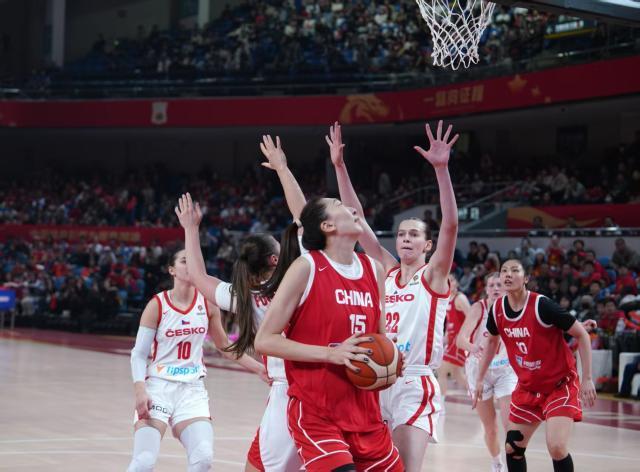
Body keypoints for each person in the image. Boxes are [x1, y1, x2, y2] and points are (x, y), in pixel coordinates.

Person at [327, 120, 459, 471]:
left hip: (414, 381)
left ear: (428, 245)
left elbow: (450, 225)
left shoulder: (433, 276)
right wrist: (340, 166)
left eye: (414, 235)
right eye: (401, 234)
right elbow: (357, 219)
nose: (406, 239)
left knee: (406, 468)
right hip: (378, 377)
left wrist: (441, 170)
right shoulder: (386, 271)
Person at [175, 136, 306, 472]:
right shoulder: (300, 278)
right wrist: (282, 169)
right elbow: (303, 217)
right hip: (311, 383)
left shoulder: (244, 296)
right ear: (275, 259)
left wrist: (191, 229)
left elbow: (200, 277)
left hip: (286, 388)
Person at [255, 197, 403, 471]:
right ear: (327, 225)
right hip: (318, 412)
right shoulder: (306, 267)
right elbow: (264, 340)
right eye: (339, 204)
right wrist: (330, 353)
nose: (353, 208)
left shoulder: (374, 269)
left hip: (366, 412)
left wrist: (389, 361)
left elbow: (378, 337)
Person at [127, 245, 266, 472]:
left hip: (192, 390)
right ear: (172, 270)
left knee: (203, 458)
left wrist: (258, 368)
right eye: (184, 261)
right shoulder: (157, 305)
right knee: (143, 462)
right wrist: (140, 390)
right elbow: (139, 354)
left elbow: (224, 346)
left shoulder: (207, 303)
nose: (189, 265)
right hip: (158, 388)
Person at [473, 259, 597, 472]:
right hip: (528, 387)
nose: (508, 274)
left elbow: (582, 335)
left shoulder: (542, 305)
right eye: (504, 271)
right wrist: (479, 378)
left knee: (556, 447)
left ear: (526, 278)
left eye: (515, 270)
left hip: (559, 385)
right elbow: (492, 343)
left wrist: (587, 378)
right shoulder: (497, 310)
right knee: (512, 447)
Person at [457, 272, 516, 472]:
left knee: (510, 425)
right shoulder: (478, 308)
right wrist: (473, 347)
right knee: (491, 429)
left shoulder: (515, 308)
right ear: (486, 289)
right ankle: (497, 462)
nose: (495, 288)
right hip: (478, 369)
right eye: (491, 285)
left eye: (499, 285)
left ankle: (511, 466)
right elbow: (460, 340)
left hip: (505, 370)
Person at [439, 274, 471, 399]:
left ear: (456, 283)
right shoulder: (448, 299)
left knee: (441, 370)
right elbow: (450, 321)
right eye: (446, 281)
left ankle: (440, 403)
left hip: (459, 340)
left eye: (451, 280)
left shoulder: (460, 298)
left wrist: (465, 337)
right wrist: (445, 337)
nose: (449, 283)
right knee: (457, 374)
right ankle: (479, 393)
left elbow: (472, 317)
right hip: (452, 340)